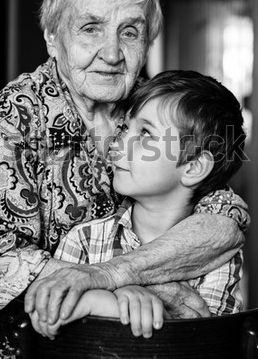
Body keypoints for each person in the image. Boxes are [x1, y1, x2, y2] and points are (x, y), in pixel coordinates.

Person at [0, 0, 249, 359]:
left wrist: (112, 275)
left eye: (130, 32)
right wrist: (133, 292)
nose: (112, 53)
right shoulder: (20, 112)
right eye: (90, 28)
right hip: (33, 358)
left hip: (146, 358)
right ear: (53, 36)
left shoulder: (151, 104)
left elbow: (223, 218)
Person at [30, 70, 246, 341]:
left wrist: (106, 301)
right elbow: (49, 321)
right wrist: (117, 299)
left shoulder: (218, 257)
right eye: (125, 128)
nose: (118, 143)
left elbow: (210, 353)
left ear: (193, 167)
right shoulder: (83, 239)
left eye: (145, 133)